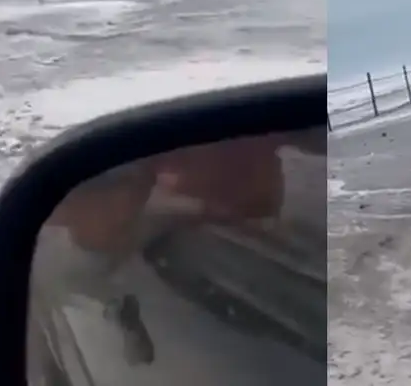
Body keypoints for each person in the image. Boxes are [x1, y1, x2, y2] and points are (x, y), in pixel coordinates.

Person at [27, 130, 325, 386]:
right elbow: (64, 269)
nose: (171, 177)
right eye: (154, 163)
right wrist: (92, 236)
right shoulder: (154, 219)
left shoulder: (317, 197)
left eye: (184, 154)